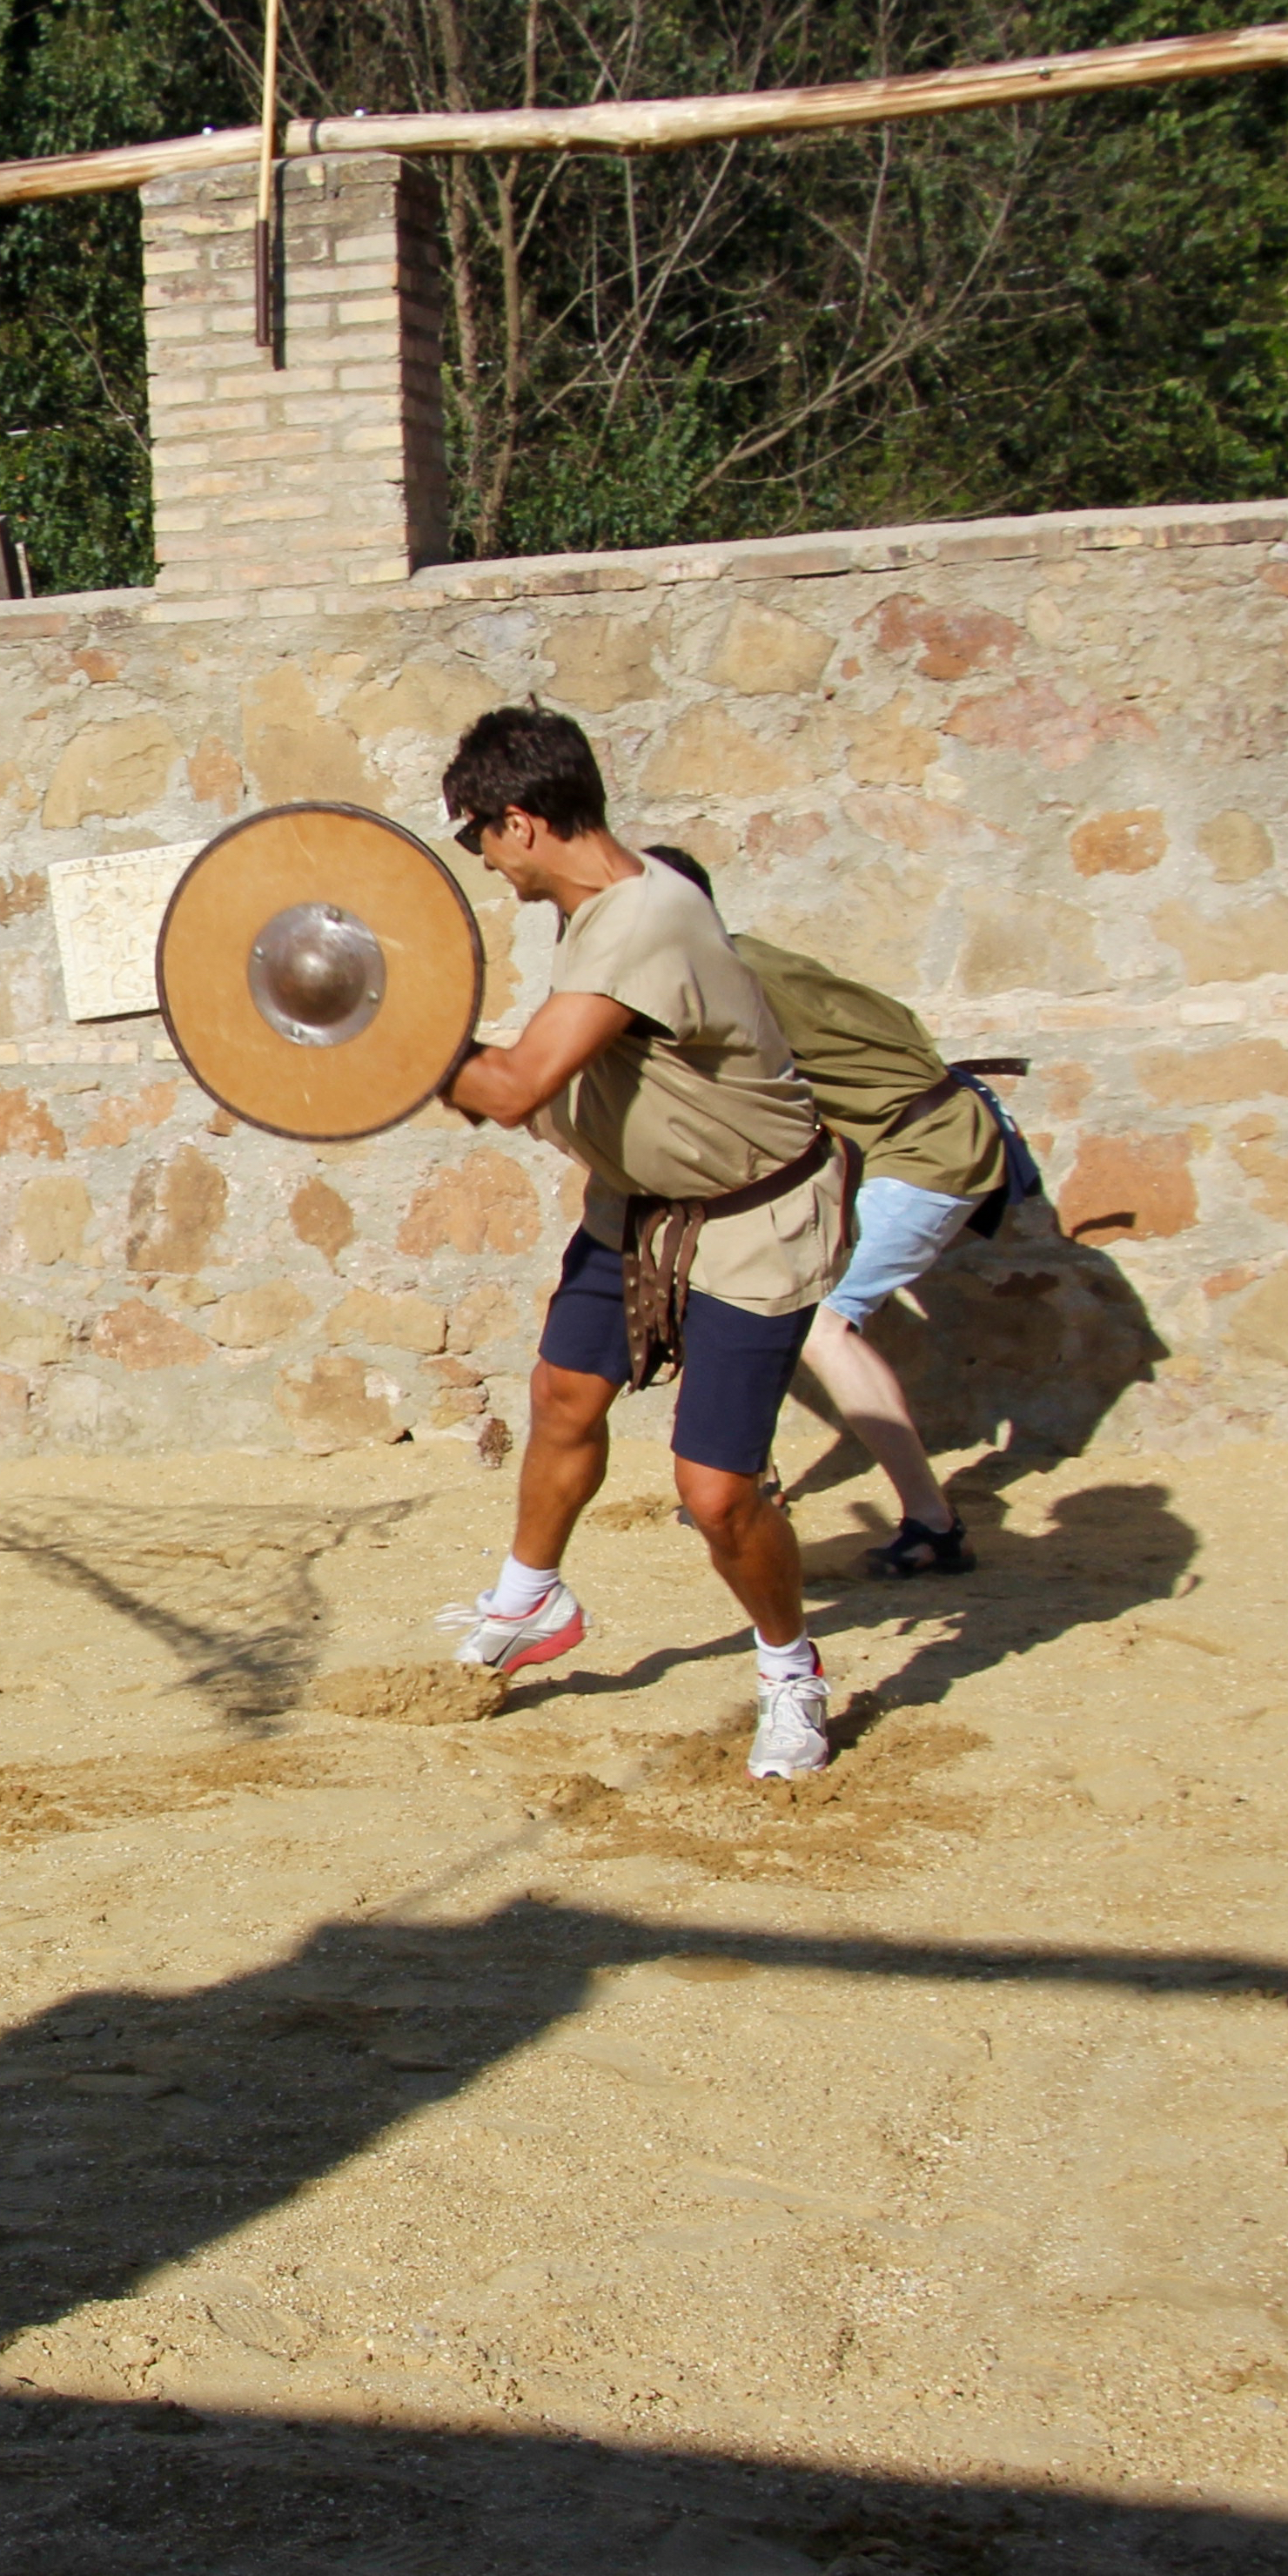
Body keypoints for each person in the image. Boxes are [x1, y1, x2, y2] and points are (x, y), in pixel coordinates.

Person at [426, 708, 852, 1779]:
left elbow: (520, 1085)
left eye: (478, 835)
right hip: (639, 1211)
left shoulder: (644, 918)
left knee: (716, 1493)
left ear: (519, 823)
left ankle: (791, 1673)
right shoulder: (607, 902)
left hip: (752, 1224)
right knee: (565, 1393)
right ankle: (532, 1601)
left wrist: (379, 1038)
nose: (481, 860)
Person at [643, 845, 1028, 1579]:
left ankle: (933, 1525)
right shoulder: (741, 957)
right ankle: (750, 1478)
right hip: (917, 1136)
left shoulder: (723, 982)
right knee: (765, 1289)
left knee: (824, 1323)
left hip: (931, 1148)